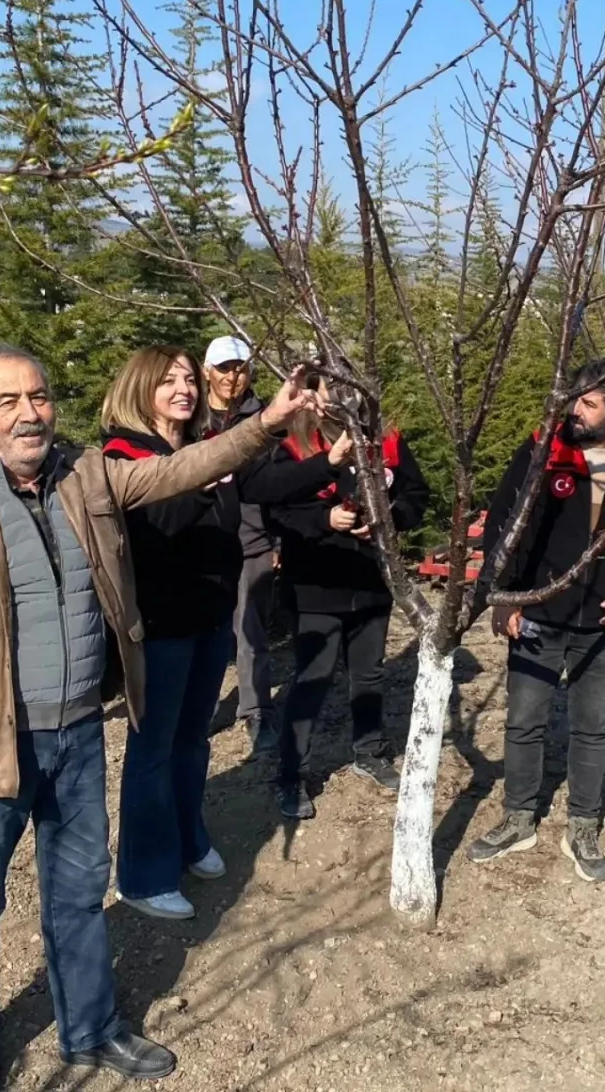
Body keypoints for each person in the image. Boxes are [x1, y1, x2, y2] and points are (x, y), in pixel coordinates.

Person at [0, 344, 316, 1091]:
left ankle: (91, 1028)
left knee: (77, 894)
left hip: (76, 732)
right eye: (8, 402)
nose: (30, 413)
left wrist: (267, 423)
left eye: (38, 397)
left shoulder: (85, 475)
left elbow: (179, 470)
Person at [103, 346, 350, 920]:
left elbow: (268, 485)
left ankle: (188, 838)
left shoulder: (202, 445)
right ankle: (141, 873)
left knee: (193, 741)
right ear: (140, 387)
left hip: (209, 619)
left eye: (189, 379)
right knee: (151, 751)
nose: (184, 389)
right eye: (169, 381)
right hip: (160, 627)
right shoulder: (125, 453)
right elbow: (162, 517)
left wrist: (329, 463)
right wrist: (212, 472)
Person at [470, 358, 605, 882]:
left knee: (592, 727)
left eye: (588, 402)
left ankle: (582, 824)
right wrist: (506, 596)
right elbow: (503, 523)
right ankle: (518, 816)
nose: (575, 410)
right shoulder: (543, 452)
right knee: (524, 720)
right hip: (537, 610)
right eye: (574, 398)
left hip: (602, 622)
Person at [269, 388, 429, 818]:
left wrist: (389, 517)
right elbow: (275, 510)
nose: (338, 397)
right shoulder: (293, 442)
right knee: (312, 680)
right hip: (316, 582)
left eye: (348, 387)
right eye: (328, 389)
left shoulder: (385, 438)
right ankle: (292, 774)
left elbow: (416, 493)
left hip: (371, 579)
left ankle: (370, 751)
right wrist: (324, 519)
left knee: (369, 673)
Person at [203, 334, 279, 755]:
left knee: (251, 632)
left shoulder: (265, 418)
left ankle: (255, 710)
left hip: (253, 539)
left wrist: (276, 542)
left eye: (240, 367)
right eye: (224, 367)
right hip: (205, 541)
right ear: (207, 371)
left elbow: (280, 484)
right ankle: (203, 708)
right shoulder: (192, 418)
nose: (233, 375)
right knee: (207, 632)